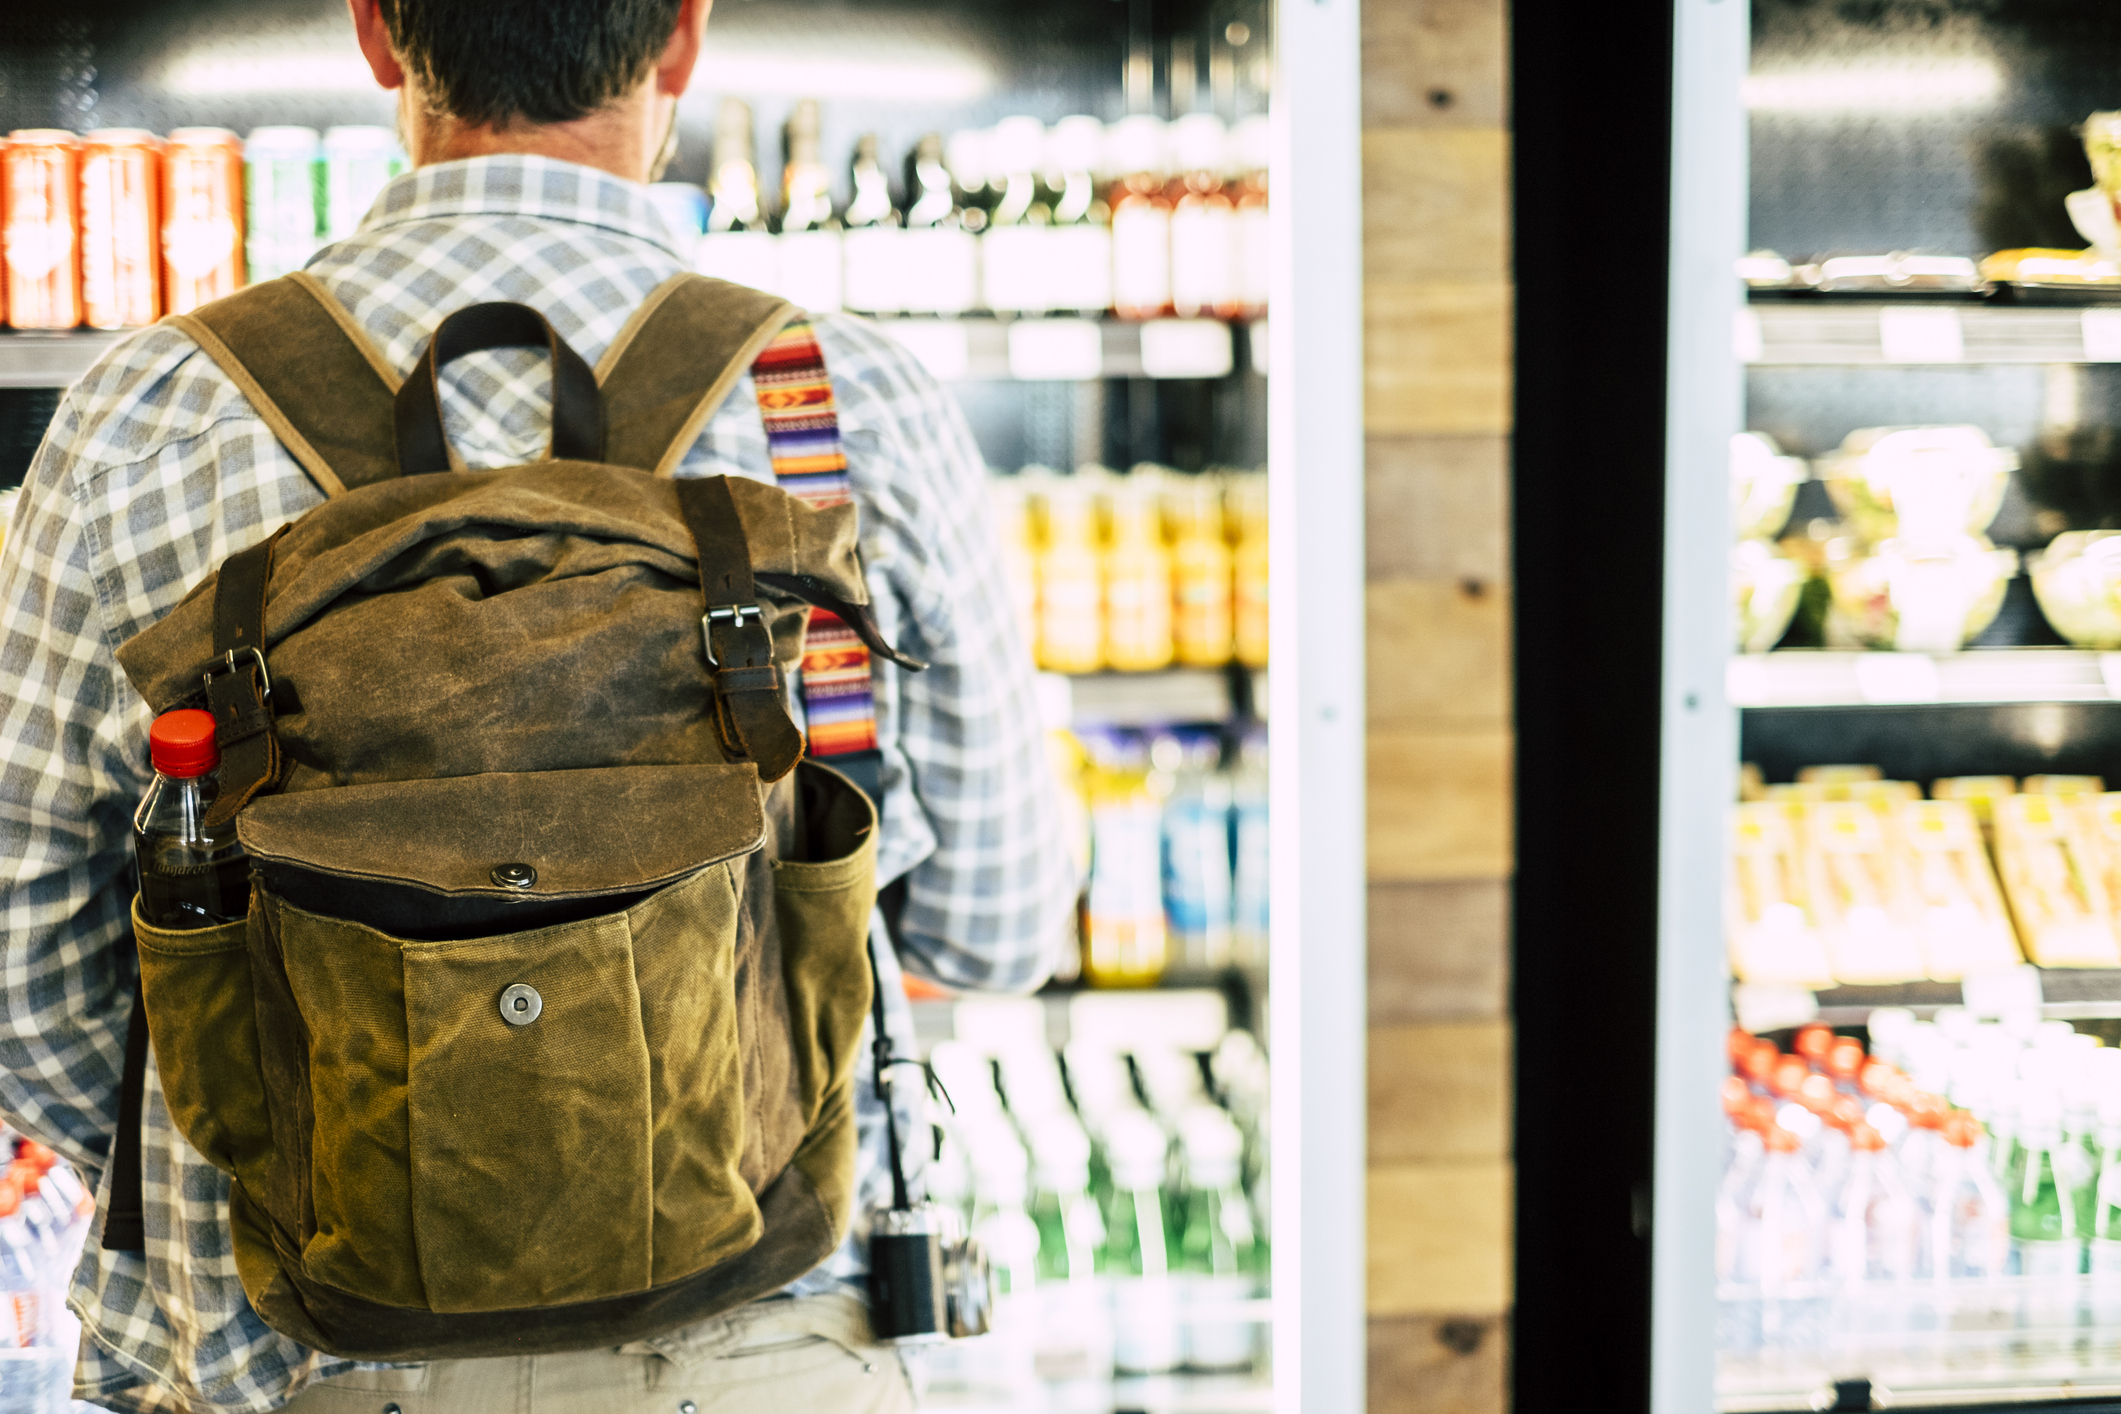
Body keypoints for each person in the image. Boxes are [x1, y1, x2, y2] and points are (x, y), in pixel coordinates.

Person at [0, 1, 1077, 1409]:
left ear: (380, 34)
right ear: (679, 40)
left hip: (304, 1351)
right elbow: (995, 925)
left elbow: (25, 972)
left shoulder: (147, 406)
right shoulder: (833, 396)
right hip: (758, 1338)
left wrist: (270, 1133)